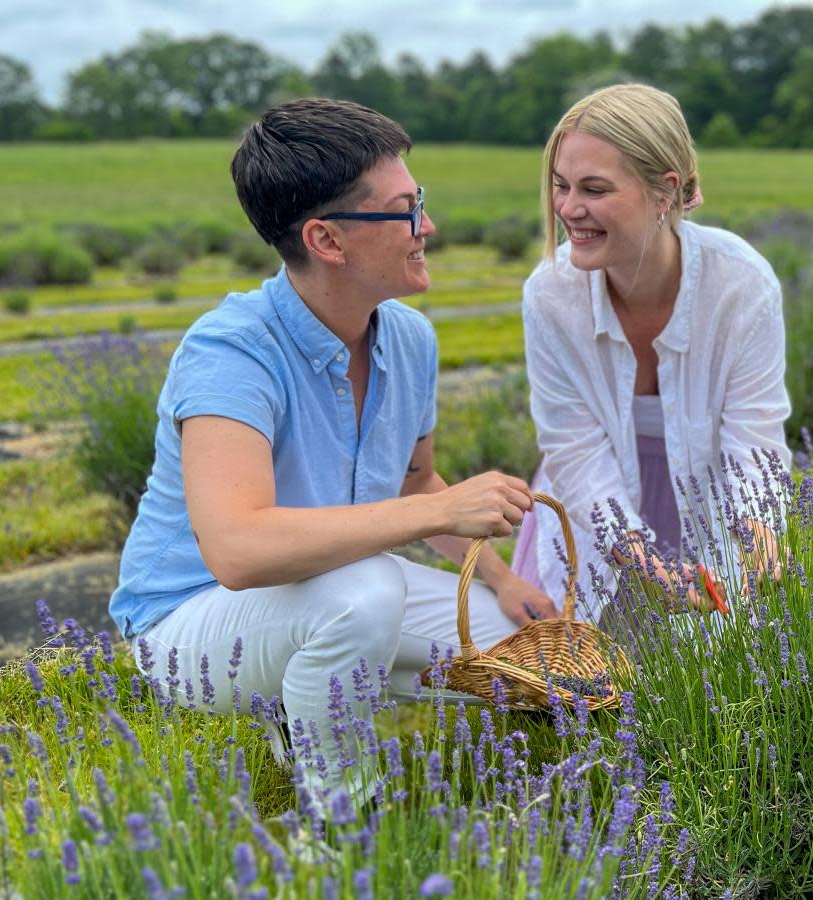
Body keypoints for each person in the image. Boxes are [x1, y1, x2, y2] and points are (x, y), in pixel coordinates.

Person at [109, 98, 557, 807]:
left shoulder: (410, 341)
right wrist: (439, 509)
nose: (427, 227)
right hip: (193, 623)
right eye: (405, 210)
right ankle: (344, 819)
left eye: (423, 203)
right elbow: (238, 551)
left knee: (524, 644)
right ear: (326, 239)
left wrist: (501, 580)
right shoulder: (230, 352)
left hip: (326, 593)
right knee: (365, 592)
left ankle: (309, 689)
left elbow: (414, 483)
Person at [511, 84, 790, 623]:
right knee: (574, 692)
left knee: (708, 692)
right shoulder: (549, 293)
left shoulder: (741, 285)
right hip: (595, 510)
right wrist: (641, 560)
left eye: (594, 188)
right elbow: (572, 448)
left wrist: (757, 534)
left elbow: (754, 436)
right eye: (561, 186)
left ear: (664, 192)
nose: (569, 209)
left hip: (707, 501)